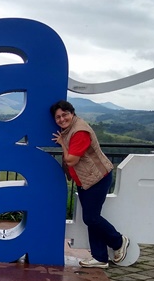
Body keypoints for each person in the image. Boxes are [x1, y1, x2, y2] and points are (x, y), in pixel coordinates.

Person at [50, 100, 129, 268]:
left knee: (91, 217)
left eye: (65, 114)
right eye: (58, 117)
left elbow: (71, 160)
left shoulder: (79, 131)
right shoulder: (71, 129)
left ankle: (118, 241)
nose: (62, 119)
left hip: (97, 179)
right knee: (92, 219)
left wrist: (63, 144)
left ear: (72, 113)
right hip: (86, 180)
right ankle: (100, 257)